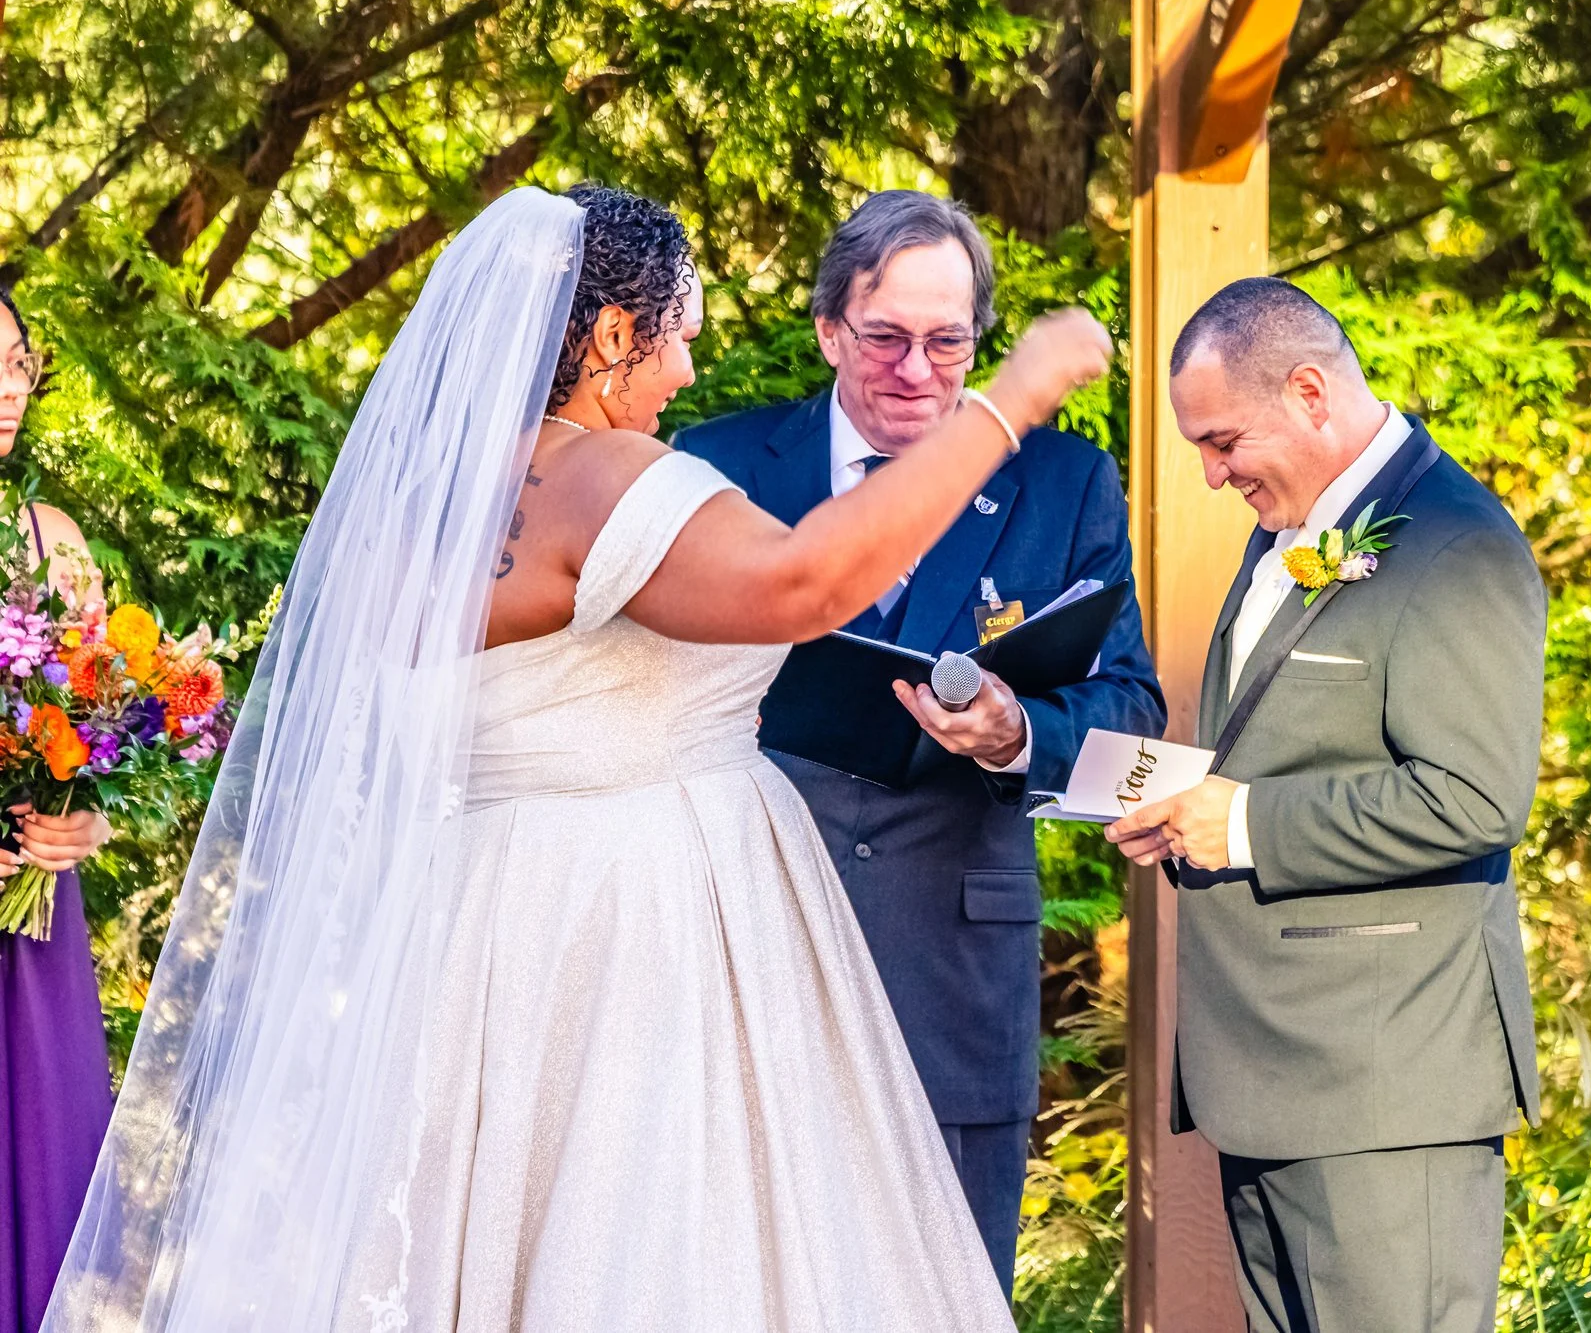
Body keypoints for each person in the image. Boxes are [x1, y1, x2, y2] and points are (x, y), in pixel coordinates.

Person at [45, 185, 1112, 1333]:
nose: (688, 375)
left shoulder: (414, 503)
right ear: (611, 335)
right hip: (639, 939)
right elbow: (811, 582)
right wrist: (1010, 397)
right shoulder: (605, 475)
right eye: (682, 336)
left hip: (474, 933)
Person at [675, 191, 1163, 1291]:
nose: (916, 369)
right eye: (886, 337)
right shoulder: (717, 462)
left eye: (949, 343)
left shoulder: (1063, 480)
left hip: (951, 970)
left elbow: (1133, 707)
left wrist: (1013, 733)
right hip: (744, 956)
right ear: (828, 329)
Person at [1104, 277, 1545, 1333]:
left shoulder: (1457, 544)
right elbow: (1289, 740)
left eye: (1221, 440)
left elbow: (1474, 795)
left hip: (1385, 1085)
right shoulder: (1294, 526)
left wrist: (1242, 822)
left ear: (1309, 393)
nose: (1210, 474)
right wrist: (1176, 801)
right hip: (1272, 1070)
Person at [0, 291, 113, 1333]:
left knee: (47, 1195)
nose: (8, 388)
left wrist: (85, 824)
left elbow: (104, 736)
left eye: (20, 363)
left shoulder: (53, 540)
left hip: (31, 934)